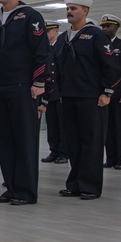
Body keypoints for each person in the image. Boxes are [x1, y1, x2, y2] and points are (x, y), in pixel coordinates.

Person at [0, 0, 51, 206]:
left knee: (24, 140)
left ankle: (25, 191)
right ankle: (11, 187)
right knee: (5, 140)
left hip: (23, 86)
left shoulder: (30, 16)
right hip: (1, 87)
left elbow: (41, 51)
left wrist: (39, 82)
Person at [54, 0, 121, 200]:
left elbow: (111, 66)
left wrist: (107, 92)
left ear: (85, 11)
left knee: (91, 142)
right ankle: (74, 183)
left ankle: (90, 186)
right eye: (67, 8)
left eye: (73, 8)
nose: (69, 11)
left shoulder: (96, 35)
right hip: (69, 96)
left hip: (92, 97)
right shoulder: (64, 38)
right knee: (73, 142)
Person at [99, 14, 121, 170]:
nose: (105, 29)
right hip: (103, 95)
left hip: (118, 95)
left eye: (108, 26)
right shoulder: (99, 44)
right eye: (103, 27)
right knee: (107, 128)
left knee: (119, 128)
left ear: (116, 28)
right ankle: (110, 158)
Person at [42, 21, 69, 164]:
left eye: (47, 31)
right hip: (50, 93)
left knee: (62, 124)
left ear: (55, 32)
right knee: (52, 124)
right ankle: (54, 150)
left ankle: (64, 152)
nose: (45, 35)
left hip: (60, 92)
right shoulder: (45, 49)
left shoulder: (62, 47)